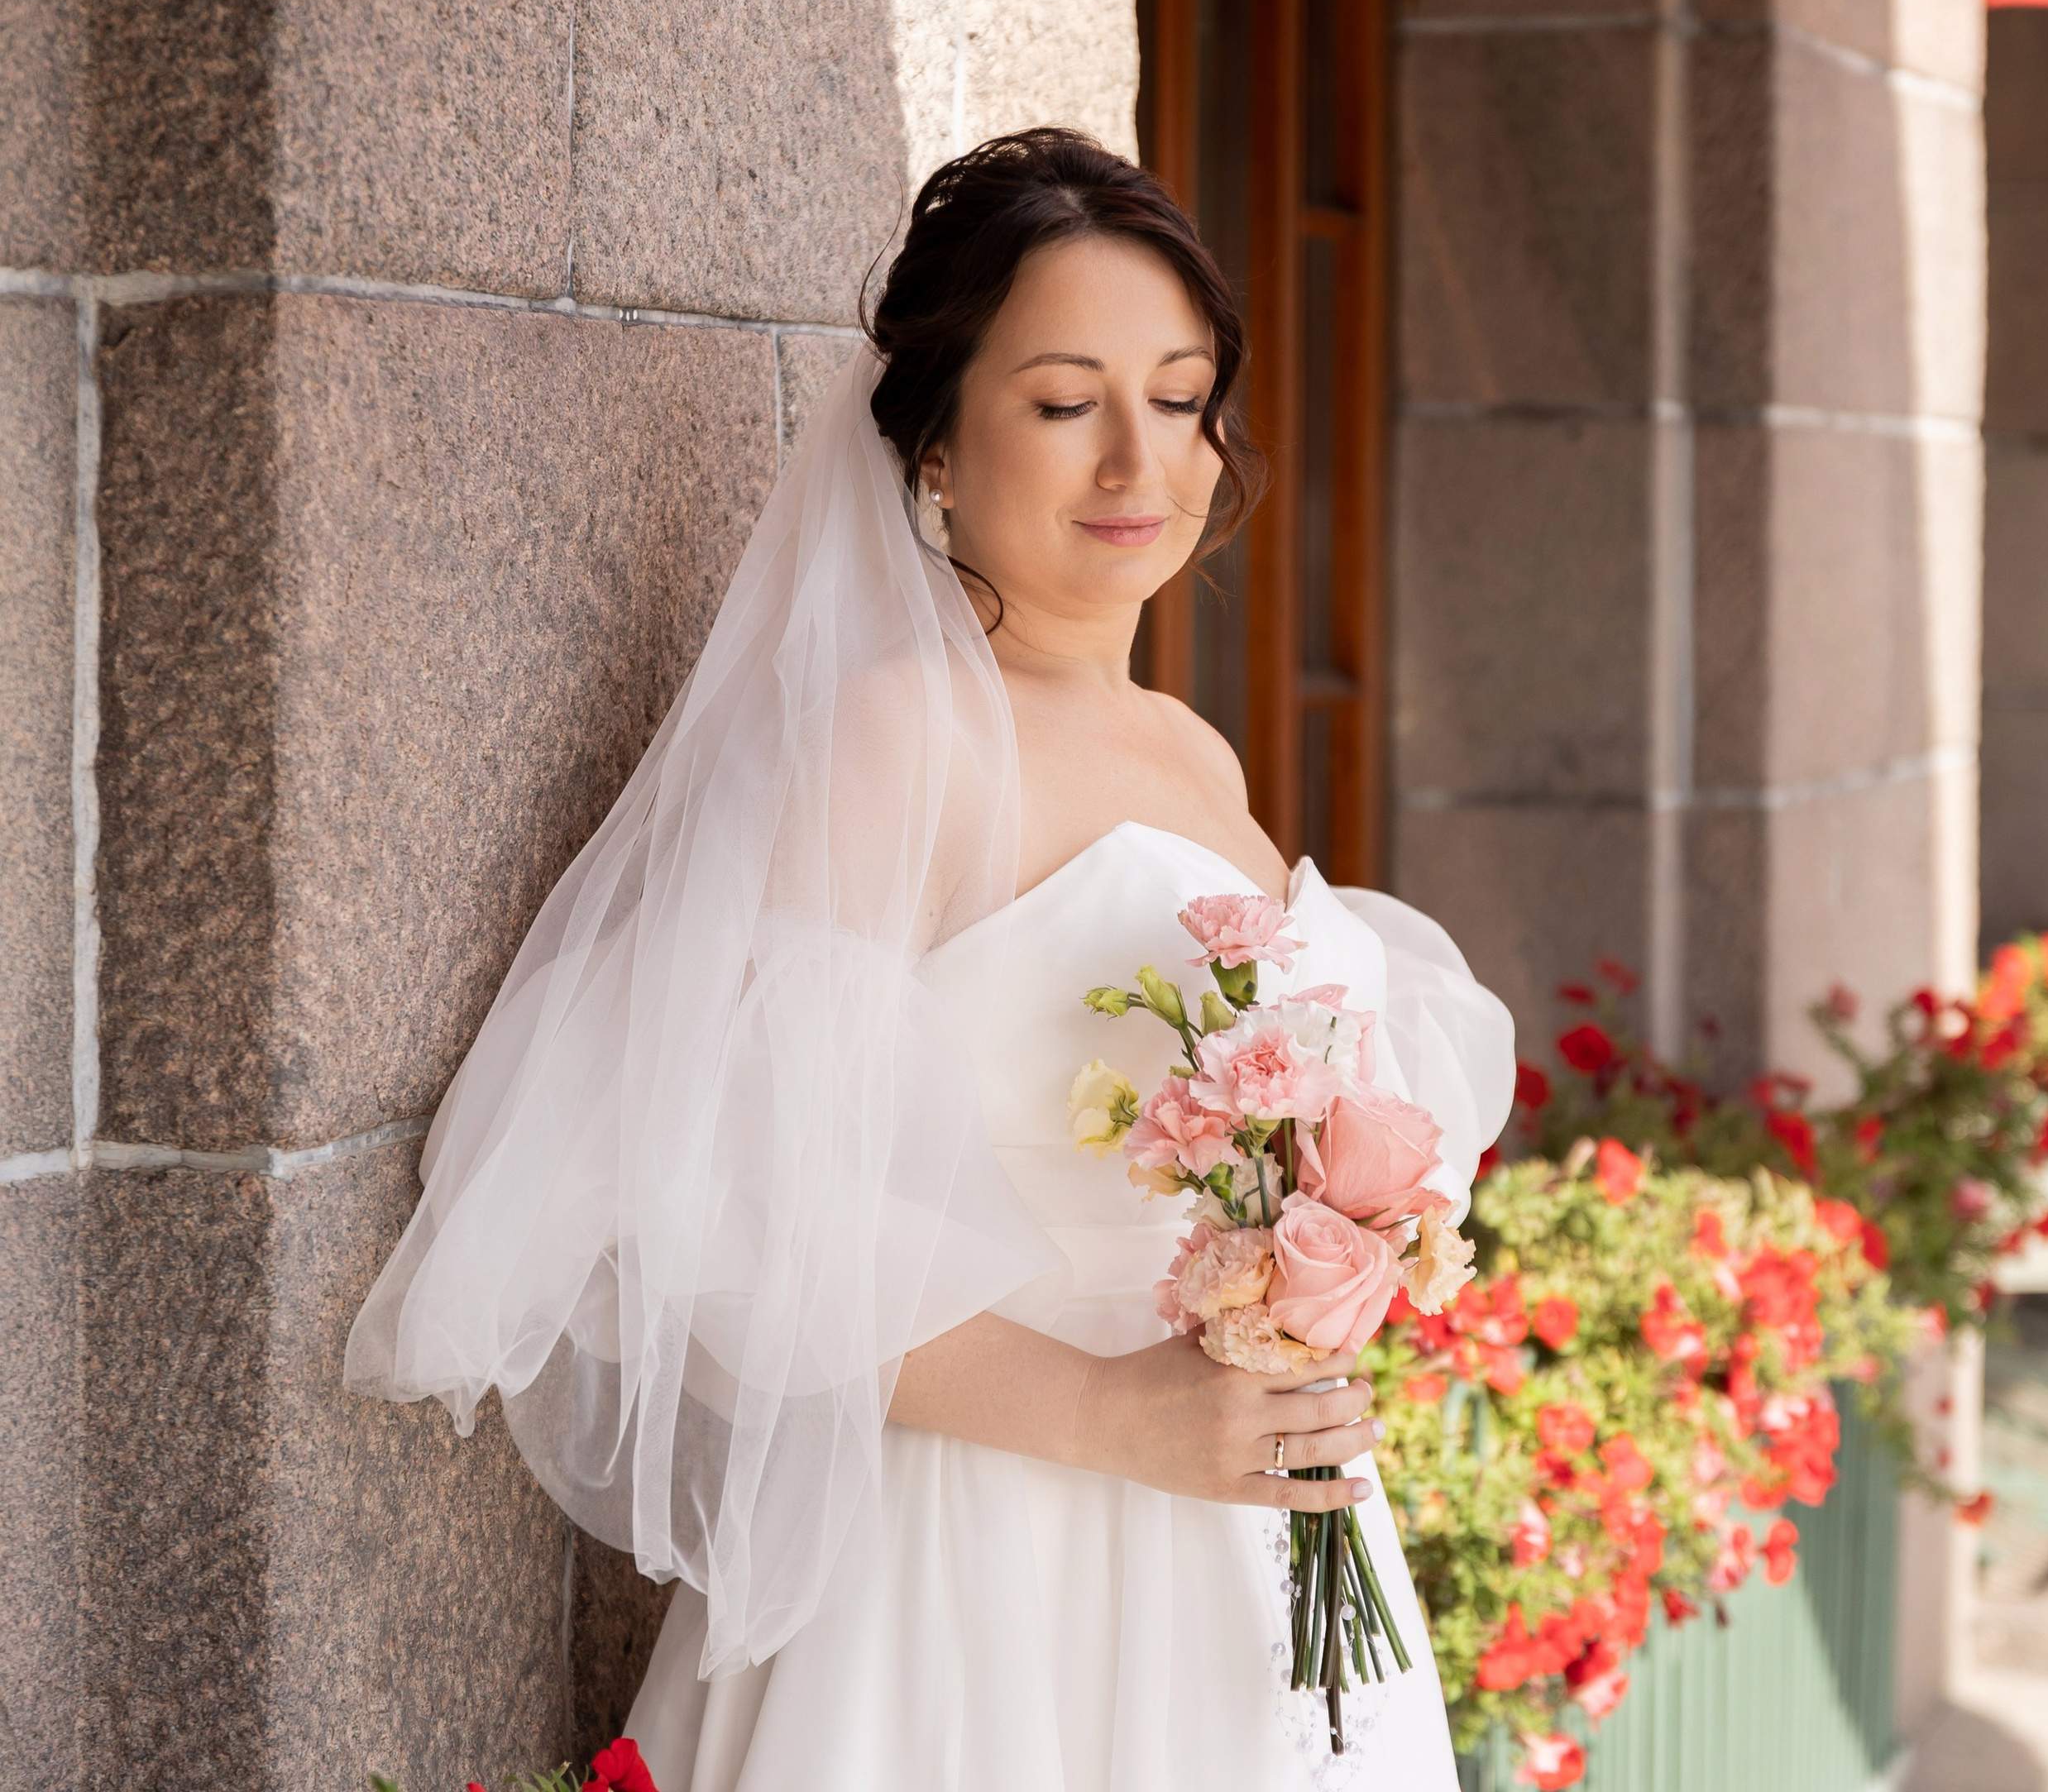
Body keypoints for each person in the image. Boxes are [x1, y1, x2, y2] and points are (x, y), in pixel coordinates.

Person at [346, 130, 1514, 1790]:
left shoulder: (1189, 754)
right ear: (936, 450)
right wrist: (1119, 1417)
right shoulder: (888, 746)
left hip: (1243, 1552)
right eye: (1061, 403)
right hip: (988, 1555)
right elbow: (739, 1220)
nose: (1136, 458)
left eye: (1177, 396)